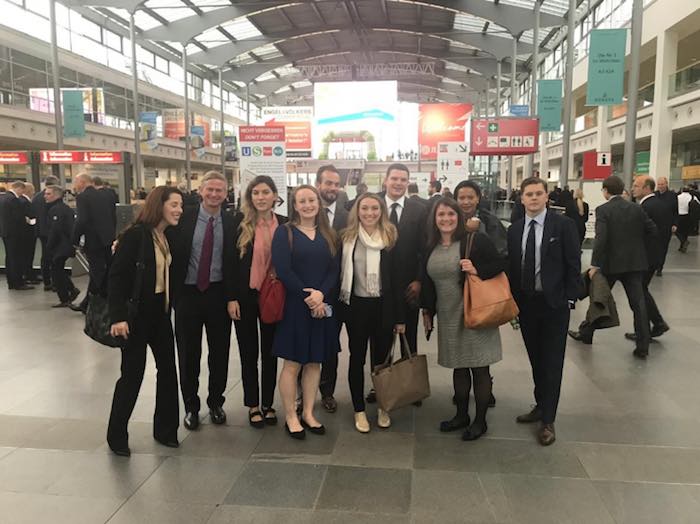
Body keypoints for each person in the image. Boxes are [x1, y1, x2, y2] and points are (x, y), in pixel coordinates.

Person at [107, 186, 183, 457]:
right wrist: (118, 316)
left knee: (168, 371)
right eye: (174, 204)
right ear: (158, 205)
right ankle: (116, 434)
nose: (179, 210)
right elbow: (116, 277)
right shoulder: (136, 236)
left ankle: (165, 430)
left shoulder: (165, 235)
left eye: (181, 206)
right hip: (136, 317)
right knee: (132, 375)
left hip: (160, 316)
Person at [422, 198, 505, 441]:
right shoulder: (431, 245)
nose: (446, 219)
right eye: (441, 215)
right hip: (448, 315)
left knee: (479, 368)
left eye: (451, 214)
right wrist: (427, 310)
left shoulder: (474, 240)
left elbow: (501, 263)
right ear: (434, 219)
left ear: (459, 217)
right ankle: (461, 415)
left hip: (475, 312)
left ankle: (480, 421)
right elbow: (428, 281)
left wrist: (477, 269)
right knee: (458, 367)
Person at [508, 177, 580, 446]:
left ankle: (548, 419)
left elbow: (573, 263)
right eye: (529, 194)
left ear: (546, 196)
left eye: (539, 193)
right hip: (526, 305)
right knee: (536, 359)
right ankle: (541, 405)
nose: (534, 198)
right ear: (522, 199)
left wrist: (570, 299)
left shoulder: (563, 226)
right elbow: (513, 267)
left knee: (552, 362)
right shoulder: (515, 230)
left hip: (554, 305)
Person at [168, 171, 237, 431]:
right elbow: (154, 228)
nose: (214, 194)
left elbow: (233, 262)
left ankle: (216, 402)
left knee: (219, 352)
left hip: (219, 294)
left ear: (226, 193)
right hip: (187, 294)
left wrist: (233, 297)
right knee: (188, 353)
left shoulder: (232, 222)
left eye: (220, 190)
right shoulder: (182, 217)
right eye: (210, 190)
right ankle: (191, 406)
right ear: (201, 191)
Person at [271, 185, 340, 440]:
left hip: (322, 307)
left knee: (314, 363)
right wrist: (308, 297)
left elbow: (334, 269)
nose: (308, 205)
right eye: (302, 201)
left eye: (312, 200)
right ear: (295, 205)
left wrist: (321, 294)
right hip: (295, 308)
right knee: (292, 364)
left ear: (318, 203)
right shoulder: (284, 232)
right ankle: (291, 415)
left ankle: (309, 412)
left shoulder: (328, 234)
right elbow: (283, 269)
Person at [568, 175, 657, 359]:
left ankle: (586, 333)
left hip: (610, 264)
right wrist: (638, 248)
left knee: (598, 298)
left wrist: (595, 264)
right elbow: (652, 230)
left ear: (606, 191)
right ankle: (643, 345)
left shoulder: (603, 210)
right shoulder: (636, 208)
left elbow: (601, 239)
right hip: (634, 263)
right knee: (638, 305)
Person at [339, 193, 403, 433]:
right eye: (364, 208)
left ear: (381, 211)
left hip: (383, 307)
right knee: (356, 359)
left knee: (382, 362)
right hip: (356, 307)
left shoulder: (391, 237)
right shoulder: (347, 237)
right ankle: (359, 410)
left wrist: (400, 318)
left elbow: (397, 279)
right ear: (357, 210)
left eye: (374, 208)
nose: (369, 213)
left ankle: (383, 407)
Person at [230, 176, 287, 428]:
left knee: (270, 353)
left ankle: (268, 403)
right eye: (256, 193)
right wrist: (231, 297)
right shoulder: (238, 224)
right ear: (250, 197)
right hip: (245, 296)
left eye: (266, 192)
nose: (261, 197)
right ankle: (253, 404)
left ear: (275, 196)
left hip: (272, 296)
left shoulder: (285, 225)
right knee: (248, 352)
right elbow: (227, 263)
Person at [370, 163, 427, 405]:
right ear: (386, 180)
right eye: (394, 178)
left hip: (408, 284)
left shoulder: (420, 209)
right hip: (377, 284)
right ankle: (378, 384)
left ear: (408, 182)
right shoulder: (372, 206)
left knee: (409, 335)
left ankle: (410, 385)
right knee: (380, 336)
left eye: (403, 179)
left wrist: (419, 279)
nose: (398, 183)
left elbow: (425, 247)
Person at [454, 180, 507, 407]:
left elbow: (503, 256)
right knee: (458, 348)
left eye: (470, 197)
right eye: (461, 197)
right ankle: (463, 393)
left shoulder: (490, 223)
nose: (465, 202)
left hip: (481, 294)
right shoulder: (449, 220)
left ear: (478, 198)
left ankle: (485, 391)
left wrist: (479, 271)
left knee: (481, 349)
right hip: (456, 296)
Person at [310, 164, 349, 413]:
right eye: (328, 183)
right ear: (318, 185)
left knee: (330, 344)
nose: (332, 188)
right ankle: (304, 393)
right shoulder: (306, 212)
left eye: (336, 184)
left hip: (338, 293)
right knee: (306, 342)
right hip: (310, 293)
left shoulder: (349, 215)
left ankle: (327, 392)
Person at [626, 176, 670, 341]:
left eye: (636, 186)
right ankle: (657, 323)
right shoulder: (659, 204)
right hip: (654, 256)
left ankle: (650, 328)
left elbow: (642, 233)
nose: (632, 189)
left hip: (645, 258)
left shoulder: (645, 206)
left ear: (646, 188)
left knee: (640, 293)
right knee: (642, 291)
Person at [72, 173, 117, 312]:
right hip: (107, 238)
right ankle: (87, 302)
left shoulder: (83, 197)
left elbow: (82, 220)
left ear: (83, 182)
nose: (75, 185)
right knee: (102, 270)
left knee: (97, 272)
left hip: (93, 239)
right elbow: (112, 216)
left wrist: (74, 238)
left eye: (76, 181)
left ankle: (99, 302)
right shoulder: (106, 195)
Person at [45, 186, 80, 307]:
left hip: (61, 245)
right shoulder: (65, 208)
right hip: (65, 244)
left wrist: (49, 246)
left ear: (56, 195)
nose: (45, 196)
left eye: (48, 194)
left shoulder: (56, 210)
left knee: (56, 270)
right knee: (58, 269)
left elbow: (56, 230)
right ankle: (70, 290)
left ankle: (65, 296)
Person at [1, 181, 33, 290]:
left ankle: (11, 282)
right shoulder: (13, 200)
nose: (22, 194)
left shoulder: (4, 198)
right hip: (15, 233)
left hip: (6, 232)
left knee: (10, 257)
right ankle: (18, 282)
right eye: (22, 191)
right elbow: (18, 218)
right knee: (16, 258)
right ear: (19, 188)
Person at [33, 176, 59, 291]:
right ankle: (55, 281)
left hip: (41, 231)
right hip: (51, 231)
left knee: (45, 256)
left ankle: (46, 281)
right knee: (54, 256)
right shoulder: (53, 197)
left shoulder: (37, 196)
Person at [654, 177, 678, 275]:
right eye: (658, 184)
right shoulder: (654, 195)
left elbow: (676, 211)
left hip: (666, 226)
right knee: (654, 247)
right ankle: (654, 265)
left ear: (666, 184)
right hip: (654, 225)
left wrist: (675, 224)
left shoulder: (672, 195)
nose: (660, 186)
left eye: (662, 184)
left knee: (663, 247)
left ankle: (660, 267)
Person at [19, 183, 39, 284]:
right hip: (28, 234)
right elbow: (30, 217)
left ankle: (28, 274)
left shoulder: (21, 201)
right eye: (33, 190)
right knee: (28, 255)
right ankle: (29, 275)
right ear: (28, 190)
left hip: (25, 234)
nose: (34, 192)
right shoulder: (24, 202)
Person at [676, 187, 698, 253]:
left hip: (679, 216)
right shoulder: (693, 197)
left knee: (677, 231)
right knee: (685, 232)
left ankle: (684, 242)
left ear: (682, 190)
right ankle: (682, 247)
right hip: (688, 216)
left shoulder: (678, 197)